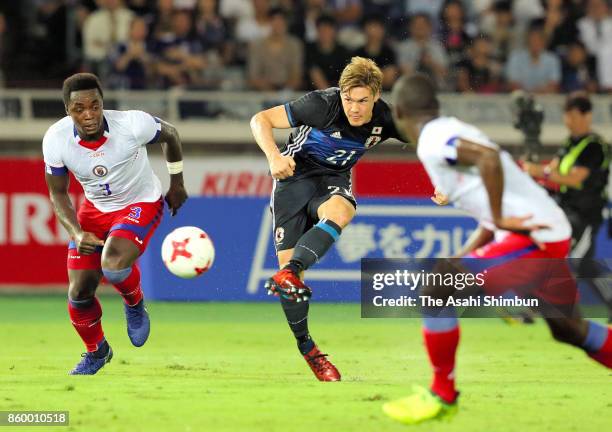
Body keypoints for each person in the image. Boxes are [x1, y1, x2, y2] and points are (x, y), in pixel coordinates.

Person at [383, 74, 612, 424]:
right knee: (569, 329)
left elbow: (488, 160)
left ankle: (442, 394)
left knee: (436, 288)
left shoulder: (433, 138)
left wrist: (500, 218)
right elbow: (492, 205)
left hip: (534, 237)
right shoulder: (449, 130)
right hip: (546, 232)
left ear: (398, 111)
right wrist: (467, 251)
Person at [250, 56, 404, 381]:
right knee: (292, 289)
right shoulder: (322, 104)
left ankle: (289, 273)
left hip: (332, 180)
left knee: (342, 209)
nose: (354, 108)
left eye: (362, 101)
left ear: (376, 96)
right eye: (349, 99)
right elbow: (260, 119)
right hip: (292, 180)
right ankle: (309, 349)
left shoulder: (388, 119)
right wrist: (274, 156)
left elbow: (431, 141)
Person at [43, 73, 188, 375]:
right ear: (68, 111)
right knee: (78, 292)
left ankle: (134, 304)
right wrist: (76, 232)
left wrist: (176, 183)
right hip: (95, 211)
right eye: (79, 109)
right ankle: (97, 352)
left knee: (114, 265)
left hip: (140, 202)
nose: (89, 115)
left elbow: (171, 134)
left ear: (103, 103)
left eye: (95, 106)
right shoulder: (56, 140)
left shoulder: (132, 124)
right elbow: (58, 194)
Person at [523, 92, 612, 322]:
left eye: (572, 115)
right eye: (566, 115)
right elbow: (553, 171)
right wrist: (534, 172)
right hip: (566, 212)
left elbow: (575, 179)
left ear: (587, 116)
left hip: (586, 214)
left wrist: (541, 172)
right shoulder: (569, 143)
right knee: (584, 266)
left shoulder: (595, 146)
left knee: (564, 258)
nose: (568, 120)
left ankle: (536, 307)